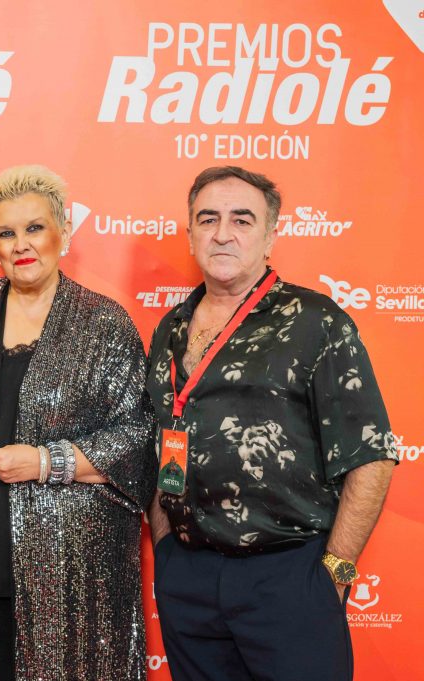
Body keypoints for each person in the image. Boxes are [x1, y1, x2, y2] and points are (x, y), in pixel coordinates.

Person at [146, 166, 398, 681]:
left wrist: (333, 576)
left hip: (288, 577)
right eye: (208, 219)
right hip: (188, 578)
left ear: (270, 236)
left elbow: (371, 455)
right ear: (190, 234)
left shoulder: (316, 321)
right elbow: (157, 439)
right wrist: (166, 546)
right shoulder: (170, 328)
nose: (222, 233)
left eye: (242, 220)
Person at [0, 165, 156, 680]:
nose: (21, 244)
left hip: (71, 572)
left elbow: (138, 438)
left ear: (63, 232)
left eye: (34, 228)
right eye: (6, 233)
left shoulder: (104, 323)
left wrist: (48, 462)